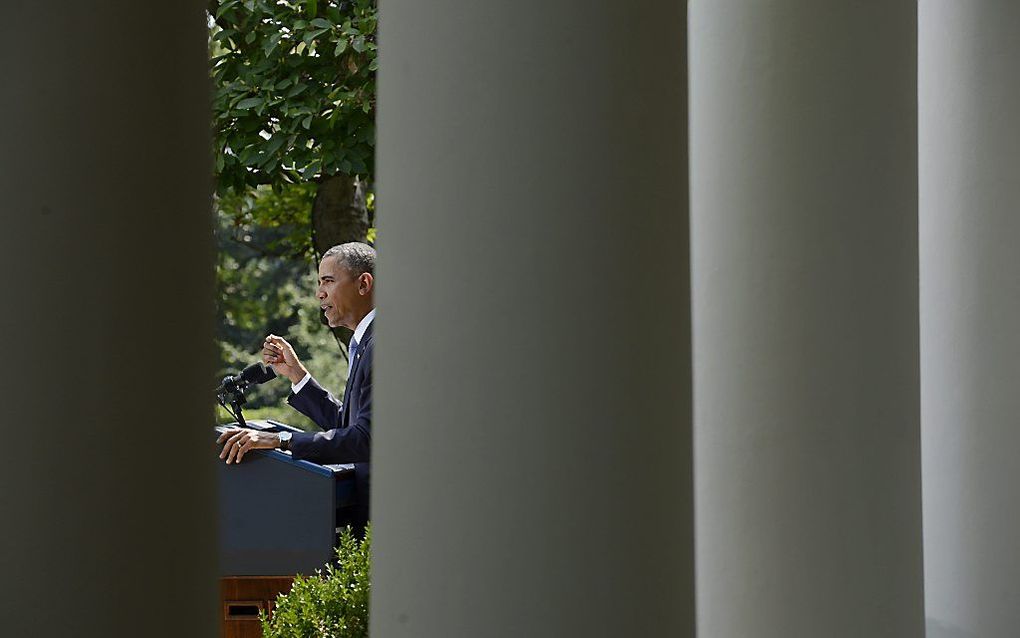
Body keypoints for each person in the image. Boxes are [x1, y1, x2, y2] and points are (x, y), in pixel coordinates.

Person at [217, 242, 376, 532]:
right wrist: (298, 377)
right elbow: (348, 427)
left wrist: (281, 441)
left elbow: (366, 440)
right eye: (318, 283)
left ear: (364, 283)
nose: (319, 293)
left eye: (328, 281)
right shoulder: (366, 344)